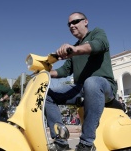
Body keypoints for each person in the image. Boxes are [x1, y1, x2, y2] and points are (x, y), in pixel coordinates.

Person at [45, 12, 122, 151]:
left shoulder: (97, 33)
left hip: (104, 86)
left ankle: (86, 144)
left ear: (85, 21)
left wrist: (75, 50)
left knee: (91, 82)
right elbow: (64, 71)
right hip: (81, 88)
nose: (71, 26)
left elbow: (98, 45)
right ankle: (60, 141)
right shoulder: (73, 49)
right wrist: (45, 73)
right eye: (69, 24)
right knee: (46, 94)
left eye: (75, 22)